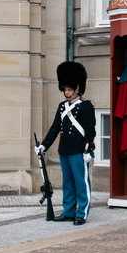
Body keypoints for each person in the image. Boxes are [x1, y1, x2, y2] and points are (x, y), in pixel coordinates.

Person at [35, 61, 96, 225]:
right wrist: (44, 145)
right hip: (65, 150)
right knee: (68, 183)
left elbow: (90, 130)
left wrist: (87, 148)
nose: (66, 92)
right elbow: (55, 127)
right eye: (65, 89)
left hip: (78, 151)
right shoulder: (62, 107)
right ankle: (69, 211)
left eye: (69, 89)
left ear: (77, 88)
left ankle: (82, 212)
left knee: (81, 183)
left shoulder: (86, 106)